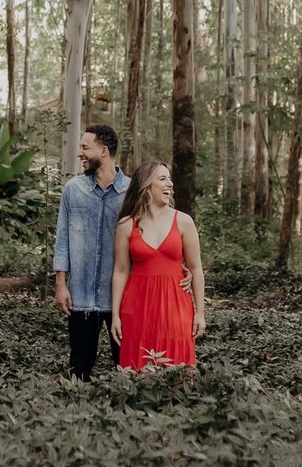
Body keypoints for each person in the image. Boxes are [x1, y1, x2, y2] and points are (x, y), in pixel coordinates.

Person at [110, 160, 205, 371]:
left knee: (177, 364)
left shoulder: (184, 221)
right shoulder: (126, 224)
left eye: (169, 178)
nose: (170, 184)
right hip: (137, 306)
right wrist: (115, 316)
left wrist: (200, 312)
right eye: (162, 179)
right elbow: (120, 271)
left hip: (176, 304)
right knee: (138, 366)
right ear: (146, 186)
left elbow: (196, 268)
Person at [52, 124, 129, 381]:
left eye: (85, 147)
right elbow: (62, 239)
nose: (79, 153)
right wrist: (61, 284)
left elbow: (152, 237)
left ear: (104, 151)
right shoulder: (73, 190)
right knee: (79, 370)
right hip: (81, 297)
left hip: (123, 299)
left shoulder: (132, 192)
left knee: (127, 368)